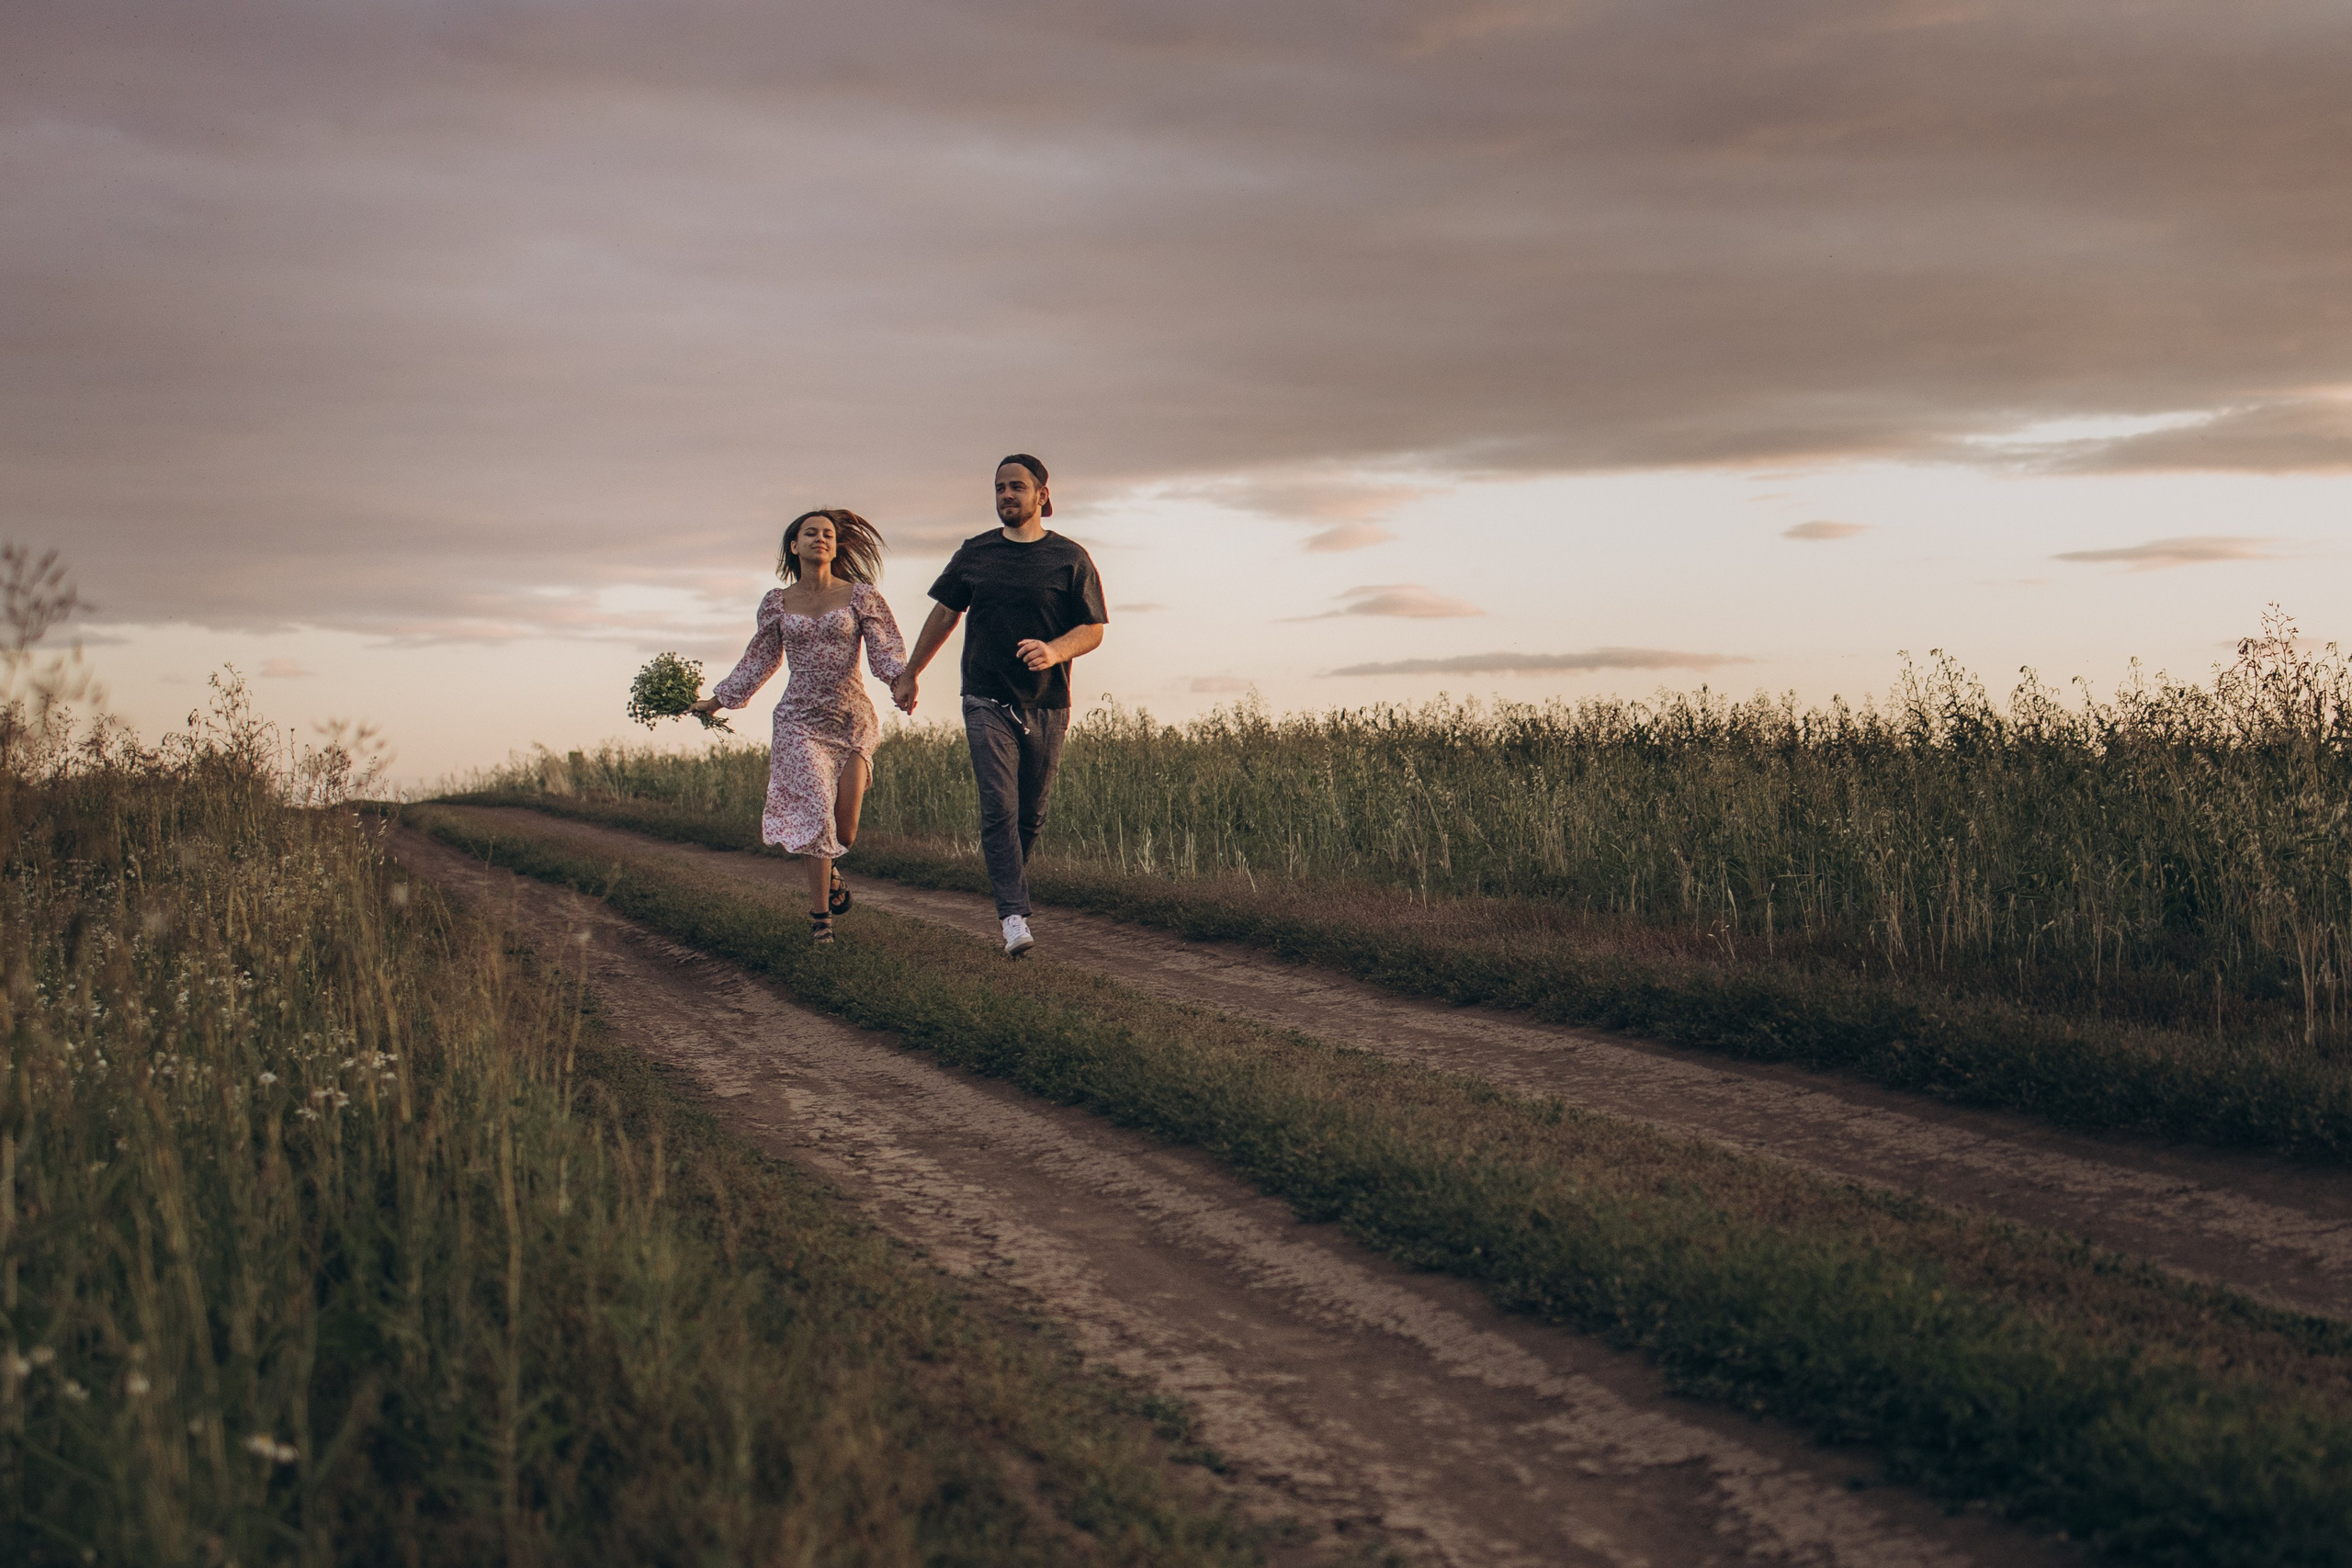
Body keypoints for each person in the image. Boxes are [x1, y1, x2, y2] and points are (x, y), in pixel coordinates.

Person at [892, 454, 1106, 956]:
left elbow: (1093, 629)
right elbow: (944, 614)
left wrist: (1054, 650)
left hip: (1048, 702)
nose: (1006, 496)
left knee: (1030, 816)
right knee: (999, 807)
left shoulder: (1070, 558)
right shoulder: (976, 554)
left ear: (1042, 495)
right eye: (999, 488)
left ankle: (1005, 879)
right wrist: (910, 674)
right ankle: (1013, 917)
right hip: (985, 696)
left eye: (1016, 487)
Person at [694, 508, 907, 944]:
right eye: (810, 533)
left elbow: (886, 651)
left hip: (850, 719)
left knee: (843, 830)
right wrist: (718, 701)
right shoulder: (778, 602)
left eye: (828, 533)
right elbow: (760, 659)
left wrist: (901, 683)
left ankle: (831, 871)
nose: (820, 539)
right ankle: (821, 922)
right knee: (814, 811)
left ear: (836, 545)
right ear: (795, 546)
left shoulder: (860, 597)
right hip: (799, 721)